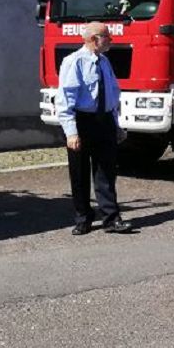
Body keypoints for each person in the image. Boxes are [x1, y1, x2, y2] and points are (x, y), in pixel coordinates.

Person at [57, 22, 134, 234]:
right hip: (82, 121)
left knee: (107, 172)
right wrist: (71, 133)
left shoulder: (105, 62)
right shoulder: (74, 62)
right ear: (94, 39)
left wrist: (116, 125)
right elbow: (65, 99)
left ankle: (111, 218)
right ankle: (83, 219)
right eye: (107, 36)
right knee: (79, 173)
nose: (111, 40)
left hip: (104, 120)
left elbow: (112, 96)